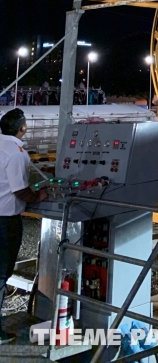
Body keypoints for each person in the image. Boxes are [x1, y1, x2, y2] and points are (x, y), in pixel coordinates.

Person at [0, 109, 47, 344]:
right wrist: (40, 195)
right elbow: (20, 190)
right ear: (23, 128)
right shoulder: (16, 153)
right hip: (5, 221)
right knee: (1, 274)